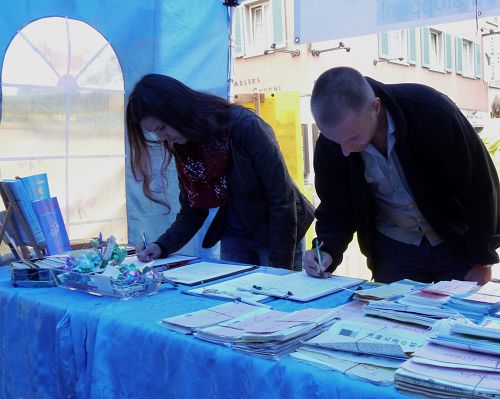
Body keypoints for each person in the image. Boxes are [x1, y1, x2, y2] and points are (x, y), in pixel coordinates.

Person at [303, 66, 500, 284]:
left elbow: (480, 186)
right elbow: (335, 208)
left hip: (454, 240)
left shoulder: (431, 111)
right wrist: (326, 249)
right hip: (394, 248)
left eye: (354, 138)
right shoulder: (333, 144)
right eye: (336, 141)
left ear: (376, 107)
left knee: (461, 315)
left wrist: (482, 259)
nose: (345, 150)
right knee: (393, 317)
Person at [126, 74, 314, 270]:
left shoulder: (246, 126)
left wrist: (279, 270)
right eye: (155, 132)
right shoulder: (184, 147)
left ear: (177, 109)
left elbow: (282, 199)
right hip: (235, 235)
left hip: (277, 232)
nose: (162, 136)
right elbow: (192, 211)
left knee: (275, 295)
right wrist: (161, 246)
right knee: (236, 295)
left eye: (162, 127)